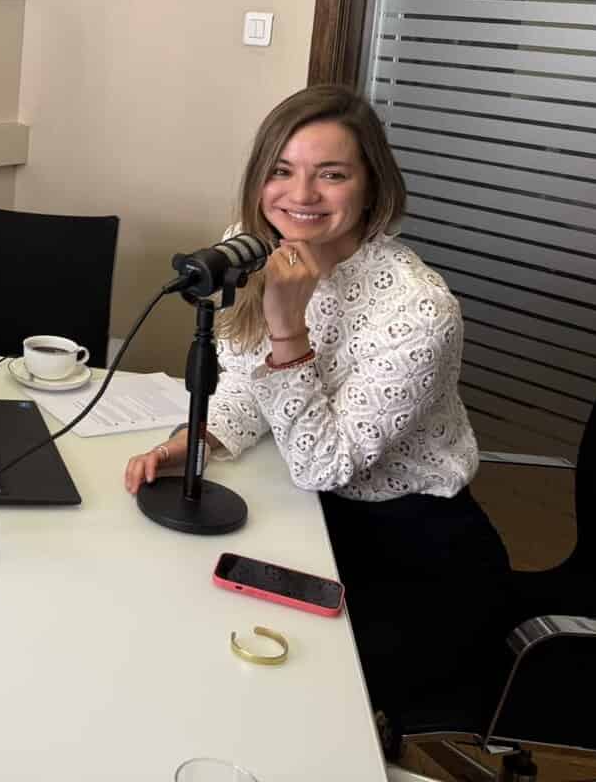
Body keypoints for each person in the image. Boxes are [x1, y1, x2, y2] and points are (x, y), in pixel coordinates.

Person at [123, 84, 510, 740]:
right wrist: (200, 438)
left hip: (410, 555)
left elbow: (324, 465)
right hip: (307, 517)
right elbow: (246, 384)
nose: (300, 195)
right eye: (282, 170)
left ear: (372, 187)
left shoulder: (420, 309)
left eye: (331, 174)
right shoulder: (254, 248)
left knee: (269, 705)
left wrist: (288, 328)